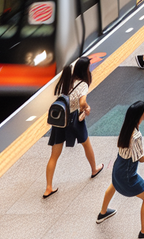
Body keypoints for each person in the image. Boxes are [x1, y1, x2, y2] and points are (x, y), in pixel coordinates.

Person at [98, 100, 144, 239]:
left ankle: (102, 213)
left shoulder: (126, 127)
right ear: (140, 115)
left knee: (113, 184)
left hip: (117, 167)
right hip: (127, 173)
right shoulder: (137, 136)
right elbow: (141, 159)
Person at [44, 56, 103, 198]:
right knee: (86, 144)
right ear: (85, 70)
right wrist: (86, 108)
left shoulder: (67, 79)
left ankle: (48, 187)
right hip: (74, 119)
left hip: (59, 120)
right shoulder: (82, 84)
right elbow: (82, 102)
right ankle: (94, 169)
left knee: (54, 155)